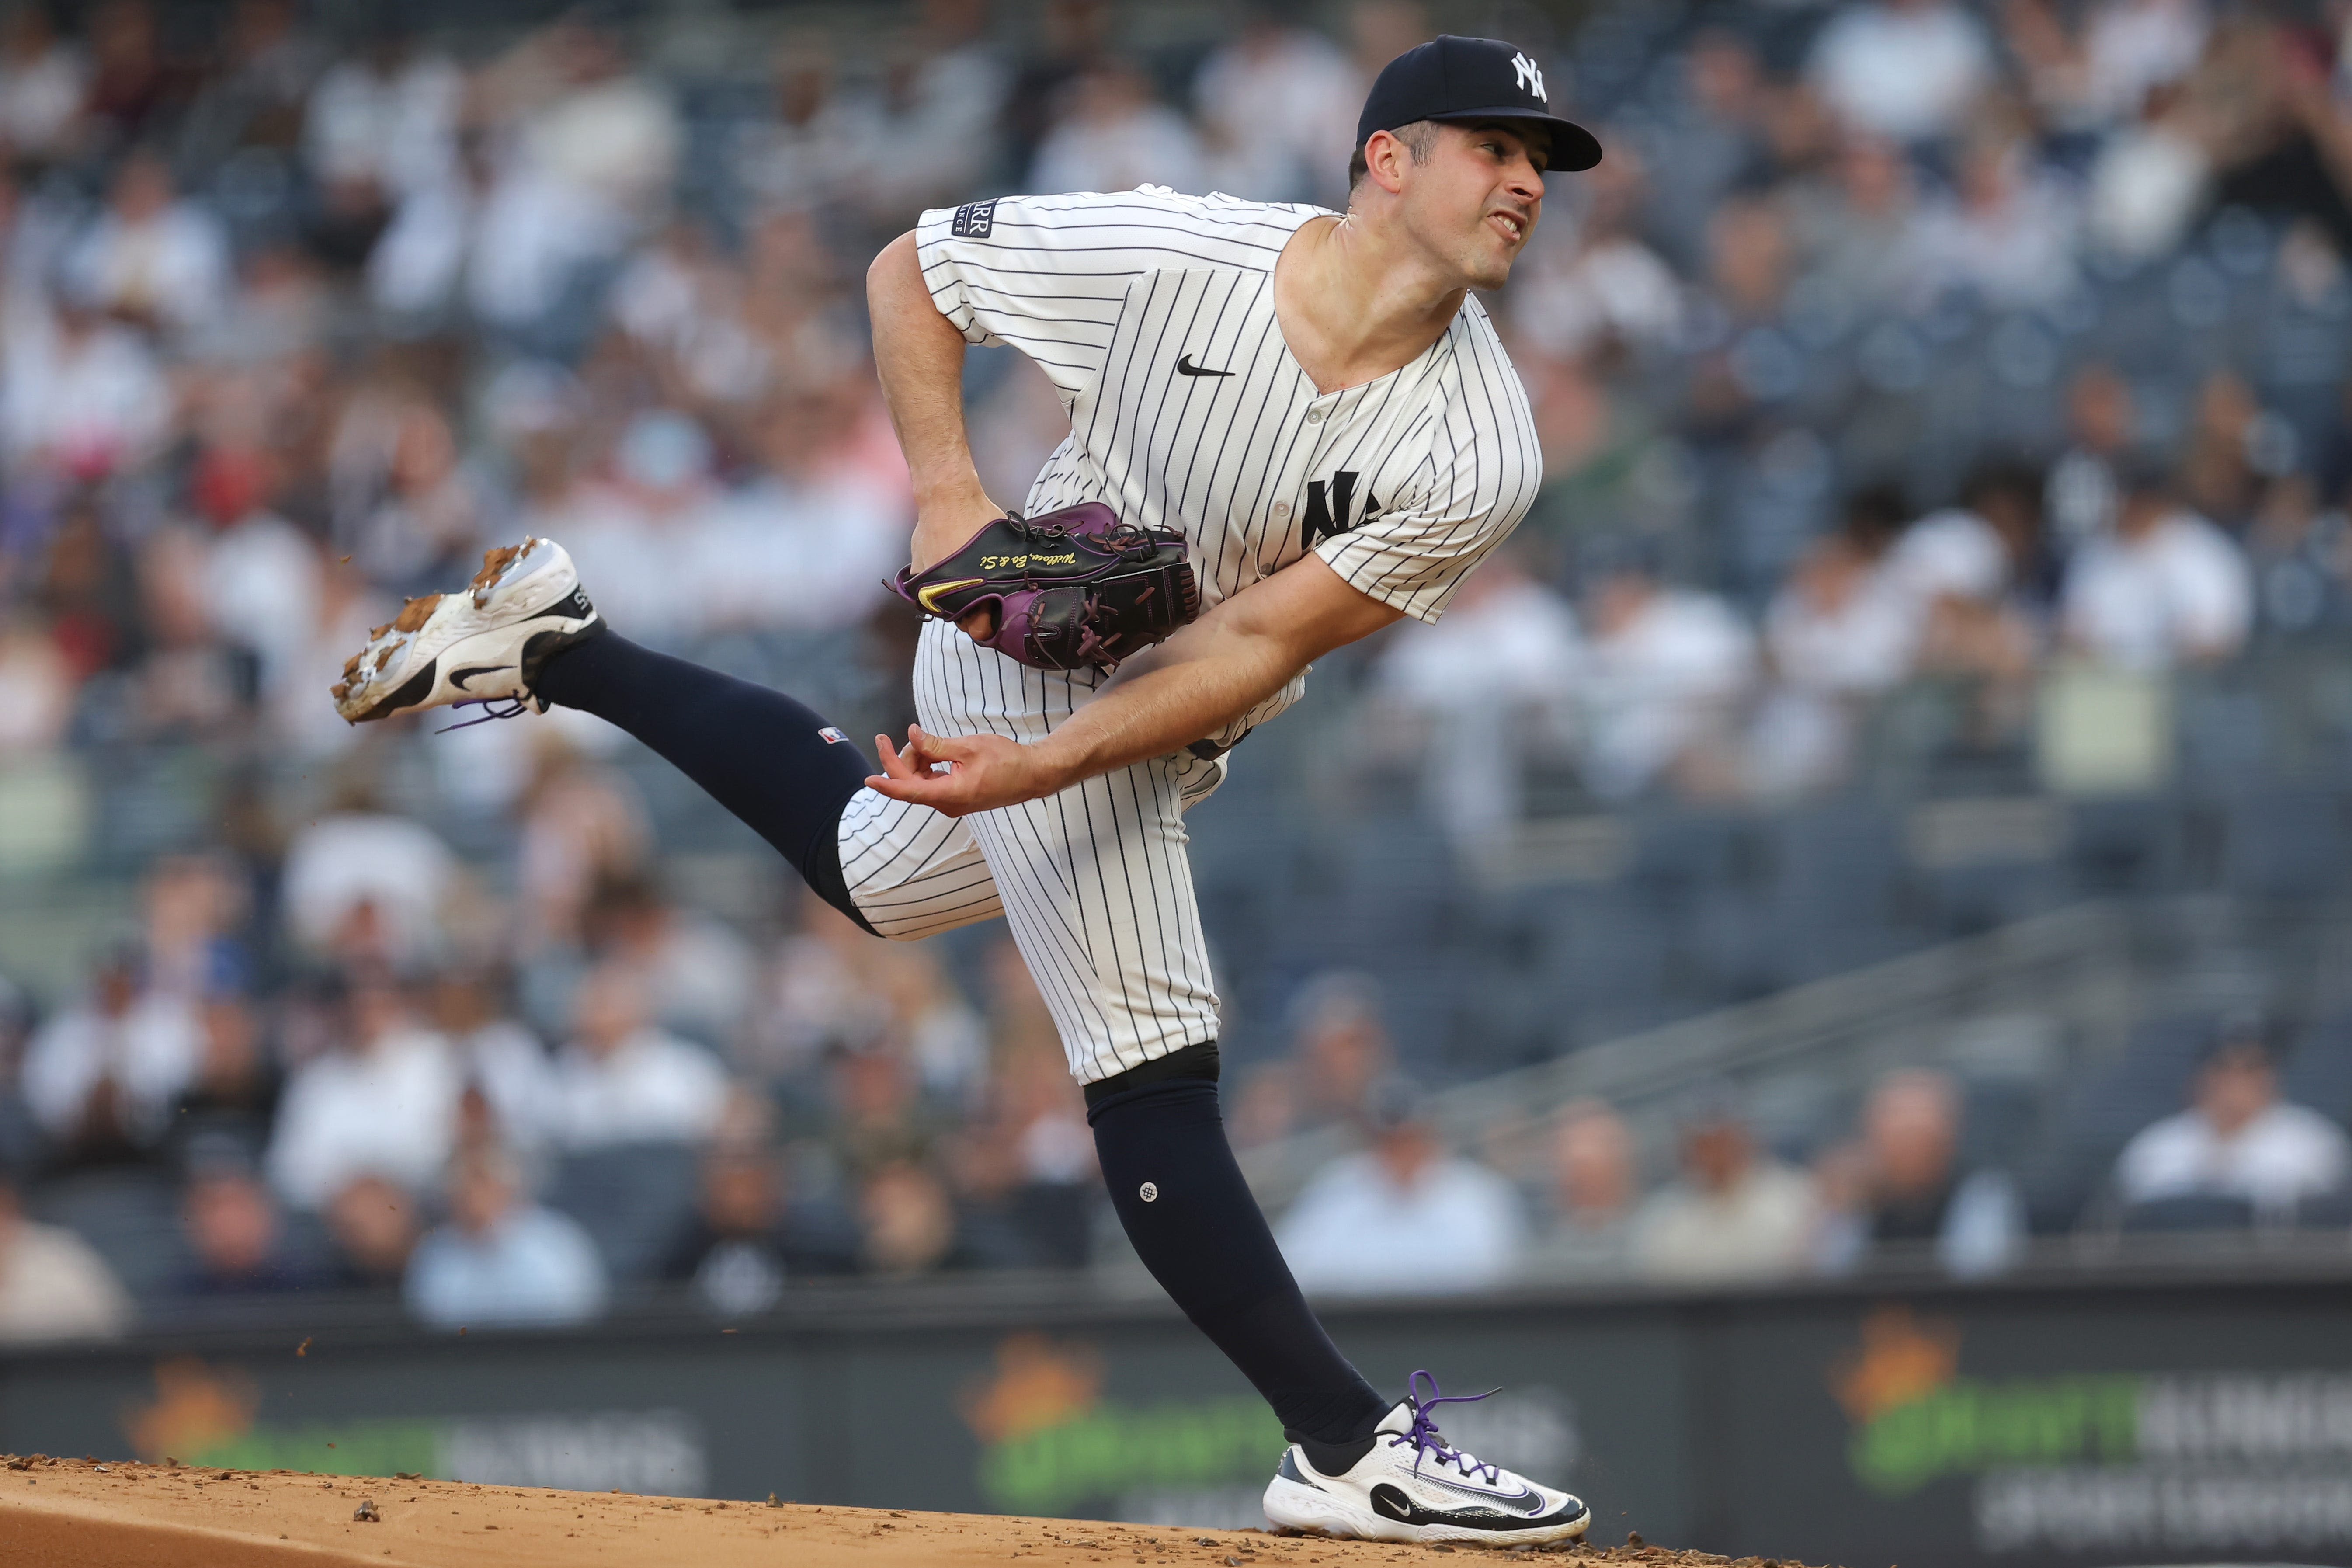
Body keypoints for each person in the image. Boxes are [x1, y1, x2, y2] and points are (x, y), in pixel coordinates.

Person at [327, 34, 1597, 1547]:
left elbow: (1257, 639)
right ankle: (1338, 1439)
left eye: (1542, 161)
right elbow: (913, 268)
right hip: (1025, 648)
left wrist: (1046, 769)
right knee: (1150, 1047)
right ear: (1386, 157)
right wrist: (945, 484)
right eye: (1491, 145)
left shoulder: (1482, 444)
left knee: (876, 870)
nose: (1525, 179)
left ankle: (561, 644)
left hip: (1159, 710)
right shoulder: (1180, 248)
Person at [1277, 1076, 1525, 1295]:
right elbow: (1291, 1275)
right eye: (1389, 1141)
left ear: (1431, 1133)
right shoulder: (1336, 1188)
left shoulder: (1480, 1194)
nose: (1400, 1153)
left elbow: (1504, 1285)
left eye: (1409, 1139)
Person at [2113, 1019, 2350, 1222]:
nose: (2235, 1084)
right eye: (2224, 1070)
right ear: (2201, 1077)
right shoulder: (2156, 1144)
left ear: (2272, 1078)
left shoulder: (2314, 1140)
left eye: (2250, 1071)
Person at [1629, 1083, 1818, 1283]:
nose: (1713, 1156)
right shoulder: (1662, 1219)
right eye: (1702, 1144)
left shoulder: (1796, 1199)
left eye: (1722, 1140)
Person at [403, 1147, 607, 1328]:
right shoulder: (435, 1252)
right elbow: (430, 1320)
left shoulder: (555, 1241)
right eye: (463, 1186)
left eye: (482, 1183)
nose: (473, 1197)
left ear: (508, 1188)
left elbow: (576, 1311)